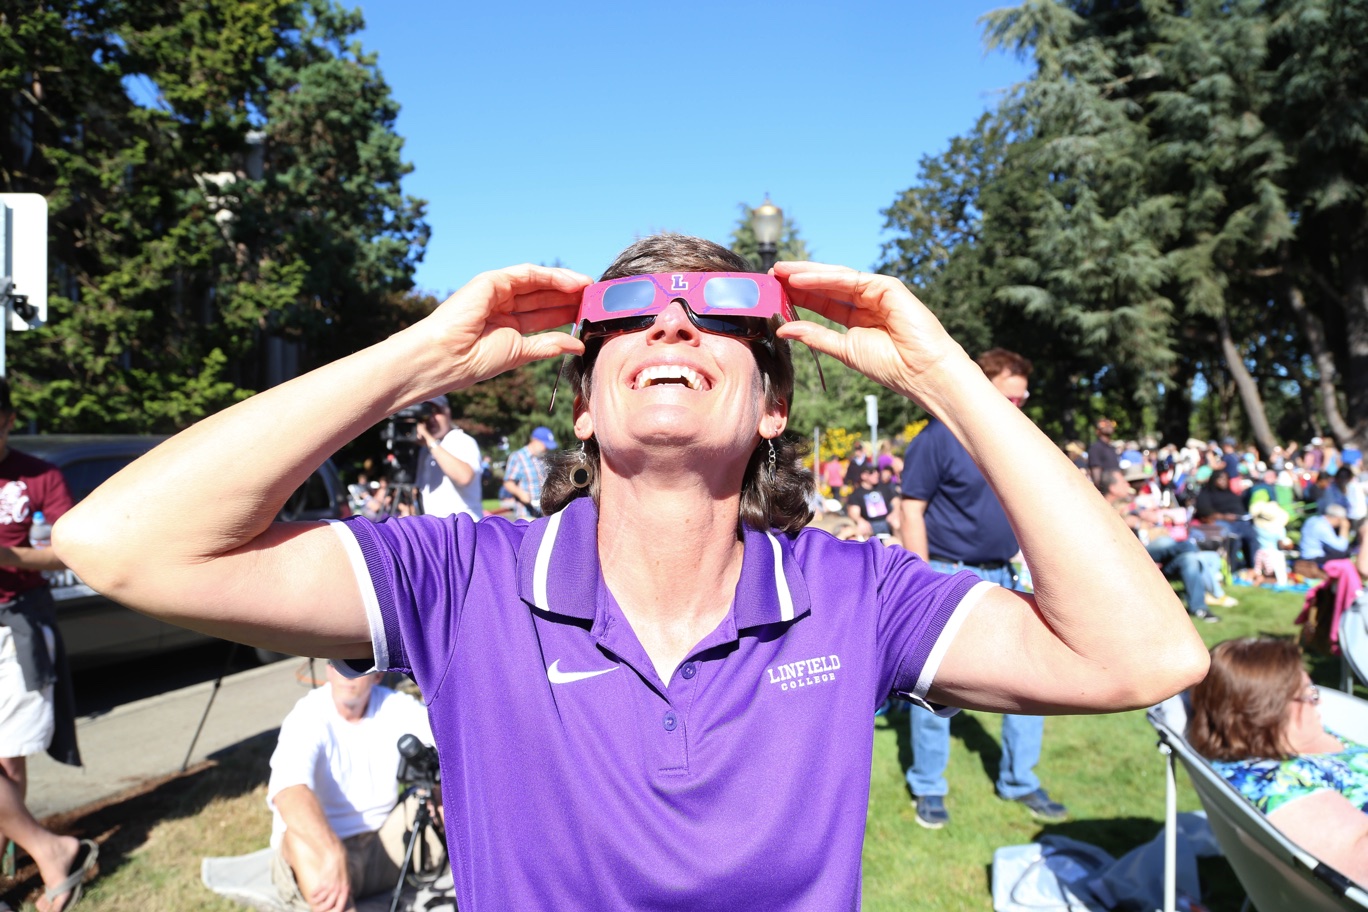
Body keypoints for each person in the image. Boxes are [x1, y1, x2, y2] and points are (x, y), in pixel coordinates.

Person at [54, 235, 1209, 910]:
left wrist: (949, 380)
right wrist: (420, 357)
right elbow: (120, 544)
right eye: (633, 320)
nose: (671, 332)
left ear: (771, 406)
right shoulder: (459, 580)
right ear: (583, 399)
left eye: (715, 319)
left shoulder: (859, 595)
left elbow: (1147, 657)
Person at [898, 348, 1068, 828]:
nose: (1018, 406)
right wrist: (922, 580)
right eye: (1010, 398)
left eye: (1022, 399)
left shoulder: (1015, 439)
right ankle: (929, 786)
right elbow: (911, 510)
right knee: (936, 688)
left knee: (1034, 682)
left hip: (1007, 573)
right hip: (949, 575)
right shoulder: (936, 439)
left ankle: (1020, 780)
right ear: (981, 384)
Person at [0, 378, 98, 912]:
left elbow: (66, 551)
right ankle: (51, 850)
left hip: (19, 624)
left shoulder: (39, 475)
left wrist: (9, 559)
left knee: (10, 759)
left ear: (8, 420)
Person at [1190, 637, 1368, 885]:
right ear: (1267, 711)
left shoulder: (1293, 740)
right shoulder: (1277, 785)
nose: (1318, 701)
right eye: (1308, 695)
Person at [268, 662, 441, 912]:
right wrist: (332, 852)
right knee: (297, 834)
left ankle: (488, 892)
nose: (345, 672)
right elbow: (288, 793)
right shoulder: (307, 715)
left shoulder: (396, 706)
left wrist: (437, 791)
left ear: (378, 674)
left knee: (448, 798)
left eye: (355, 665)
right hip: (321, 862)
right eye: (335, 662)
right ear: (327, 670)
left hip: (383, 844)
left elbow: (451, 751)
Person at [1098, 468, 1223, 622]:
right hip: (1136, 556)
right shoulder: (1101, 507)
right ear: (1113, 487)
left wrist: (1146, 518)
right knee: (1184, 546)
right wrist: (1134, 521)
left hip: (1155, 555)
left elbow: (1148, 518)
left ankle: (1199, 609)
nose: (1128, 485)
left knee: (1189, 559)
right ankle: (1213, 587)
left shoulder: (1132, 502)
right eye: (1124, 482)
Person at [412, 395, 482, 519]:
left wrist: (429, 439)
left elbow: (464, 477)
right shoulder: (425, 450)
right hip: (436, 531)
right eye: (426, 413)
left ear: (447, 413)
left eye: (436, 411)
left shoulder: (462, 440)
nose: (431, 418)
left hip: (463, 529)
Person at [1194, 469, 1260, 569]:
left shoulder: (1231, 494)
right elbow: (1204, 512)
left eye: (1225, 479)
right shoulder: (1206, 493)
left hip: (1241, 521)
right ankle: (1230, 568)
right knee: (1233, 538)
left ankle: (1252, 568)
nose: (1223, 481)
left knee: (1252, 537)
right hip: (1220, 523)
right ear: (1214, 480)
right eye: (1220, 479)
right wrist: (1225, 517)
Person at [501, 426, 557, 520]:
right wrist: (520, 493)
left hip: (544, 513)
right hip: (527, 513)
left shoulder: (543, 458)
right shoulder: (518, 457)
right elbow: (508, 483)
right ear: (535, 440)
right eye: (545, 445)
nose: (547, 449)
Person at [844, 462, 898, 540]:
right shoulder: (857, 493)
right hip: (870, 524)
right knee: (860, 530)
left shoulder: (883, 487)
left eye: (877, 471)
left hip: (887, 521)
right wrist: (860, 521)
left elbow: (896, 501)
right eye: (872, 472)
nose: (876, 474)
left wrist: (894, 513)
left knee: (896, 522)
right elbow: (853, 512)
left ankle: (902, 548)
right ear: (863, 476)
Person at [1087, 418, 1121, 484]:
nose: (1108, 425)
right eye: (1104, 424)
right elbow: (1096, 476)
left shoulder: (1112, 448)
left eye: (1111, 423)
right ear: (1097, 431)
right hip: (1106, 491)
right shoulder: (1095, 448)